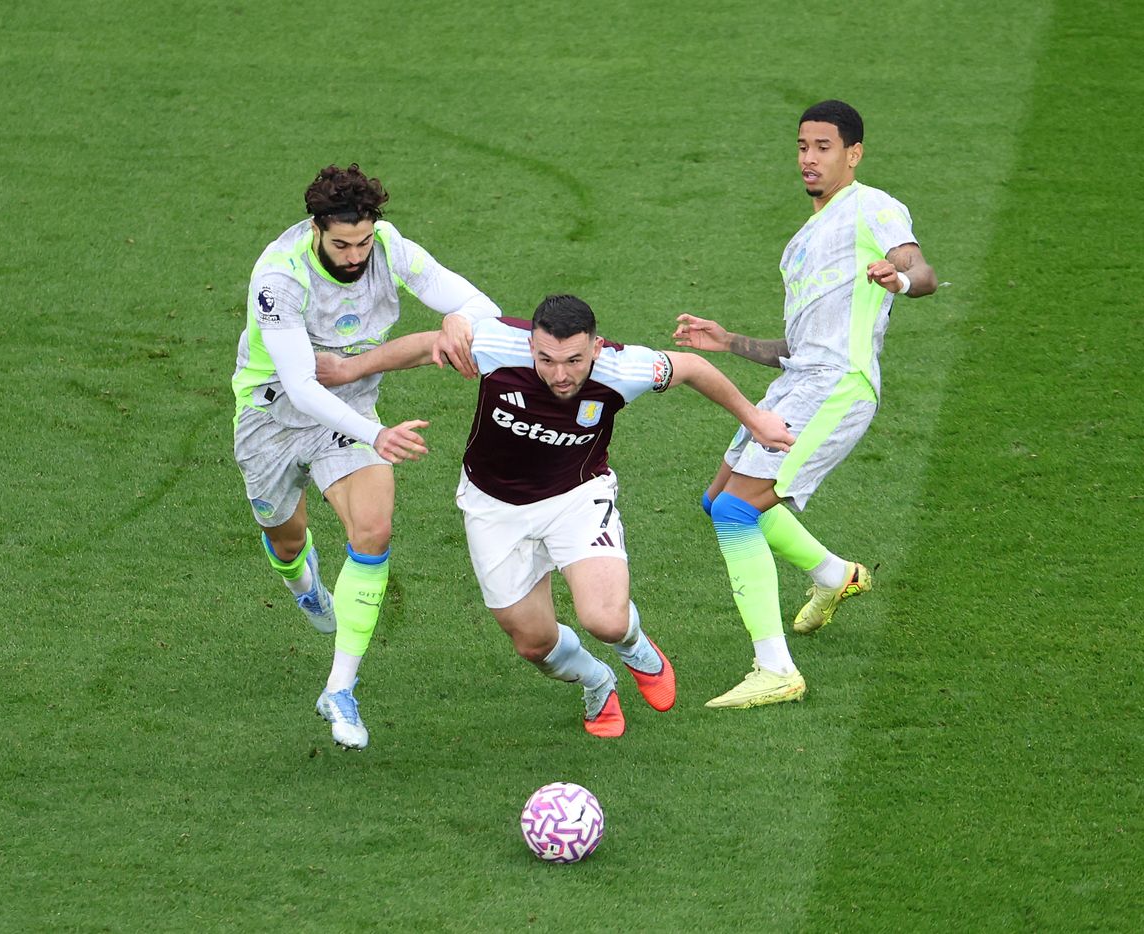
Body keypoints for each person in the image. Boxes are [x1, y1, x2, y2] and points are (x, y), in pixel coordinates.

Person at [317, 295, 795, 737]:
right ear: (530, 345)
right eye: (546, 360)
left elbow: (691, 366)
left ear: (596, 348)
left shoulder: (624, 368)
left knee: (606, 621)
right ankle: (596, 680)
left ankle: (634, 647)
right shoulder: (496, 344)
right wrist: (346, 369)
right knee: (533, 644)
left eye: (574, 361)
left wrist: (755, 419)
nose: (560, 375)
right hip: (492, 508)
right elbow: (426, 346)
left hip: (576, 498)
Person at [673, 100, 938, 710]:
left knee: (736, 511)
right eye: (802, 147)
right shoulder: (800, 243)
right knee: (717, 499)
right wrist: (727, 341)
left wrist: (899, 280)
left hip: (838, 387)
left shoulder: (873, 207)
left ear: (853, 154)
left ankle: (775, 670)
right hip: (800, 381)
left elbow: (921, 272)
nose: (809, 159)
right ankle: (834, 576)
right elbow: (798, 346)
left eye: (823, 147)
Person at [231, 163, 501, 749]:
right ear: (316, 229)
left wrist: (458, 318)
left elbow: (480, 303)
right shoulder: (278, 279)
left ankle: (340, 689)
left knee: (373, 530)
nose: (355, 257)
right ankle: (302, 582)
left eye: (363, 242)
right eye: (341, 245)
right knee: (286, 540)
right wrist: (375, 435)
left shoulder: (389, 246)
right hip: (272, 418)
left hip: (350, 411)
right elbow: (302, 386)